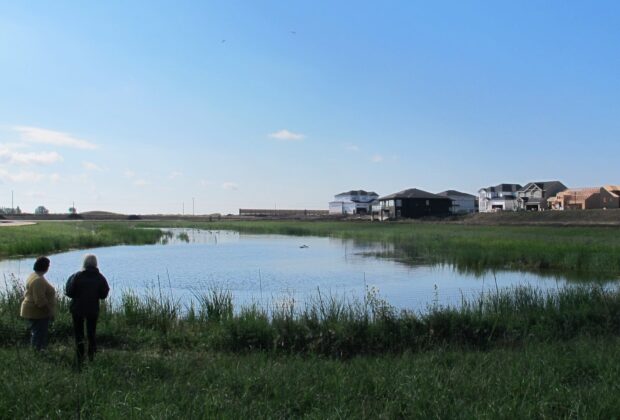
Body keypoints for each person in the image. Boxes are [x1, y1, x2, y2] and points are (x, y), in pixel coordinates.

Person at [65, 254, 110, 363]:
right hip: (92, 309)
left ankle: (79, 357)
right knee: (91, 333)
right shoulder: (100, 278)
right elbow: (104, 295)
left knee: (78, 333)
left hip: (77, 308)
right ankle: (91, 356)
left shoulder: (76, 276)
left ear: (84, 263)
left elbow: (69, 292)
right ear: (96, 264)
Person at [20, 256, 56, 351]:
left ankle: (37, 351)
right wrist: (49, 312)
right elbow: (40, 300)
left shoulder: (34, 275)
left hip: (32, 310)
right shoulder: (38, 280)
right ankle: (37, 352)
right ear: (46, 267)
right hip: (37, 312)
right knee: (39, 333)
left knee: (37, 332)